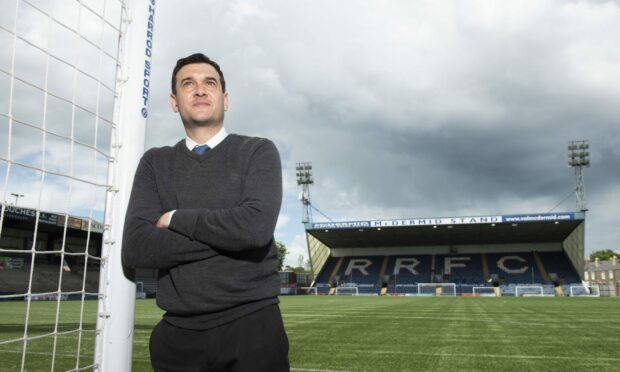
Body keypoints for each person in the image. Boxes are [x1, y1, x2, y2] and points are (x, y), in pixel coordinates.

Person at [122, 53, 289, 371]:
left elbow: (254, 229)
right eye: (188, 83)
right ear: (174, 102)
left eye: (209, 83)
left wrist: (175, 218)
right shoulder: (155, 163)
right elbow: (136, 248)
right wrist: (230, 232)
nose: (200, 90)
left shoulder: (256, 151)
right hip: (177, 338)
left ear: (225, 100)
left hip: (252, 328)